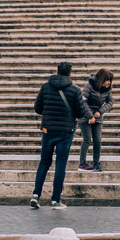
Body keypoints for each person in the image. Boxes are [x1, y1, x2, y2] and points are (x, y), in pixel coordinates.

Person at [31, 61, 86, 209]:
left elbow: (37, 108)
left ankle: (36, 195)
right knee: (60, 165)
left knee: (44, 162)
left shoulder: (45, 87)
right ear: (70, 74)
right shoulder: (74, 90)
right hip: (65, 132)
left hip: (48, 130)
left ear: (56, 72)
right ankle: (56, 200)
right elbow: (80, 113)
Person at [77, 68, 114, 173]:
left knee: (97, 140)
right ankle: (82, 163)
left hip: (97, 116)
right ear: (102, 79)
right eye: (108, 80)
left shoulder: (107, 88)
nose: (109, 82)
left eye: (110, 81)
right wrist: (90, 116)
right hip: (85, 116)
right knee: (87, 139)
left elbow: (110, 102)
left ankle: (96, 162)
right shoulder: (89, 85)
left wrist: (100, 111)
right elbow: (83, 102)